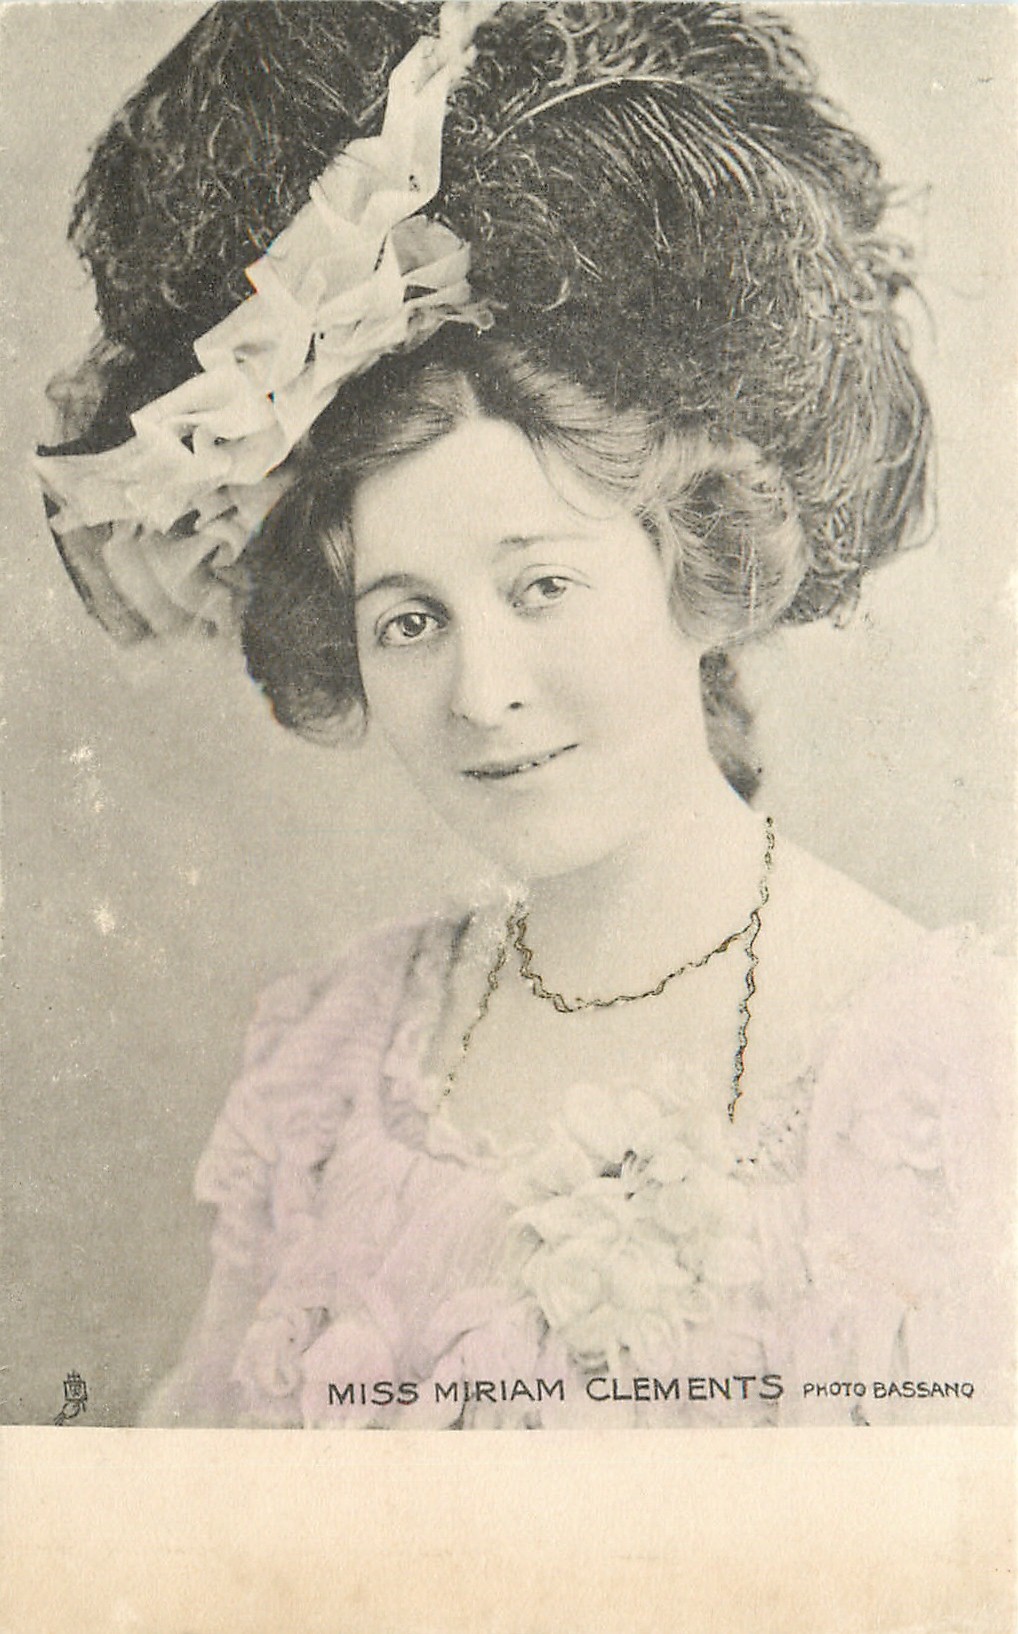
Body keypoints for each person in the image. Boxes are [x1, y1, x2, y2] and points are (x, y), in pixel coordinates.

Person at [35, 0, 1013, 1429]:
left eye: (542, 585)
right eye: (407, 620)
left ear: (698, 559)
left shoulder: (938, 1071)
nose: (481, 692)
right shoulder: (338, 1057)